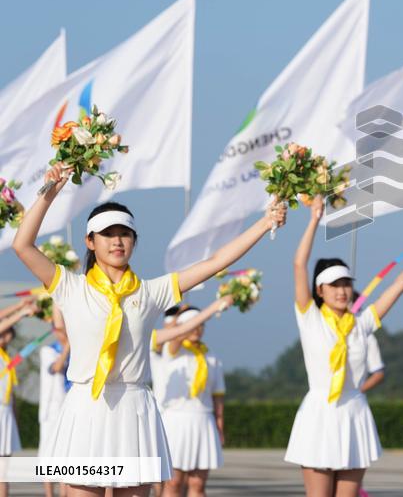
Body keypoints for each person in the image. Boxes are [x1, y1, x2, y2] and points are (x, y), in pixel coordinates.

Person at [12, 163, 287, 496]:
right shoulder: (70, 287)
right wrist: (50, 192)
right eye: (108, 234)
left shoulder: (152, 291)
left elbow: (214, 262)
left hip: (134, 408)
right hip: (86, 406)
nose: (117, 241)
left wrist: (265, 222)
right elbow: (23, 245)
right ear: (90, 241)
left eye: (125, 233)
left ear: (134, 240)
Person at [285, 196, 403, 497]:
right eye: (334, 285)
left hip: (354, 414)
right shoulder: (310, 318)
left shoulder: (362, 324)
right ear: (320, 290)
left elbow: (399, 285)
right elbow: (298, 263)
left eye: (346, 283)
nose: (342, 290)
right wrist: (315, 217)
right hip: (319, 413)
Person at [160, 302, 233, 497]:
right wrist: (181, 317)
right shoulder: (172, 350)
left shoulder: (211, 357)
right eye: (192, 324)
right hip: (176, 421)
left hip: (203, 421)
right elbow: (173, 337)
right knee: (174, 483)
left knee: (197, 484)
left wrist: (219, 425)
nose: (197, 328)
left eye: (201, 324)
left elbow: (218, 396)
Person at [0, 298, 37, 497]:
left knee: (4, 469)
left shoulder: (7, 358)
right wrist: (21, 309)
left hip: (5, 414)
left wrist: (14, 416)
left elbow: (10, 393)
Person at [39, 305, 70, 497]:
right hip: (51, 412)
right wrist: (68, 346)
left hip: (69, 410)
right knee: (48, 456)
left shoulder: (78, 350)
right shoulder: (48, 350)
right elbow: (56, 367)